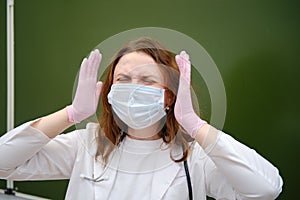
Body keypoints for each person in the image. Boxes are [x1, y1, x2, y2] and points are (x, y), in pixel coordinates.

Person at [0, 37, 283, 200]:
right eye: (123, 80)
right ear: (110, 90)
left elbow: (266, 189)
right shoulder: (85, 145)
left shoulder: (194, 158)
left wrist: (195, 125)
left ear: (169, 95)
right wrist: (70, 115)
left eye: (147, 80)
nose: (133, 88)